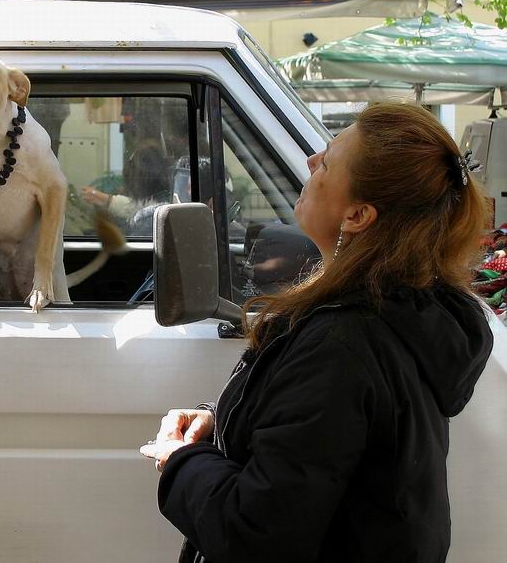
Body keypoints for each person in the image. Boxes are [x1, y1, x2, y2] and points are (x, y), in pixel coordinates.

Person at [140, 102, 494, 563]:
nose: (310, 162)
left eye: (326, 160)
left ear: (357, 216)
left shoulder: (342, 345)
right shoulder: (398, 310)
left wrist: (178, 460)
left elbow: (254, 535)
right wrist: (222, 420)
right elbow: (314, 441)